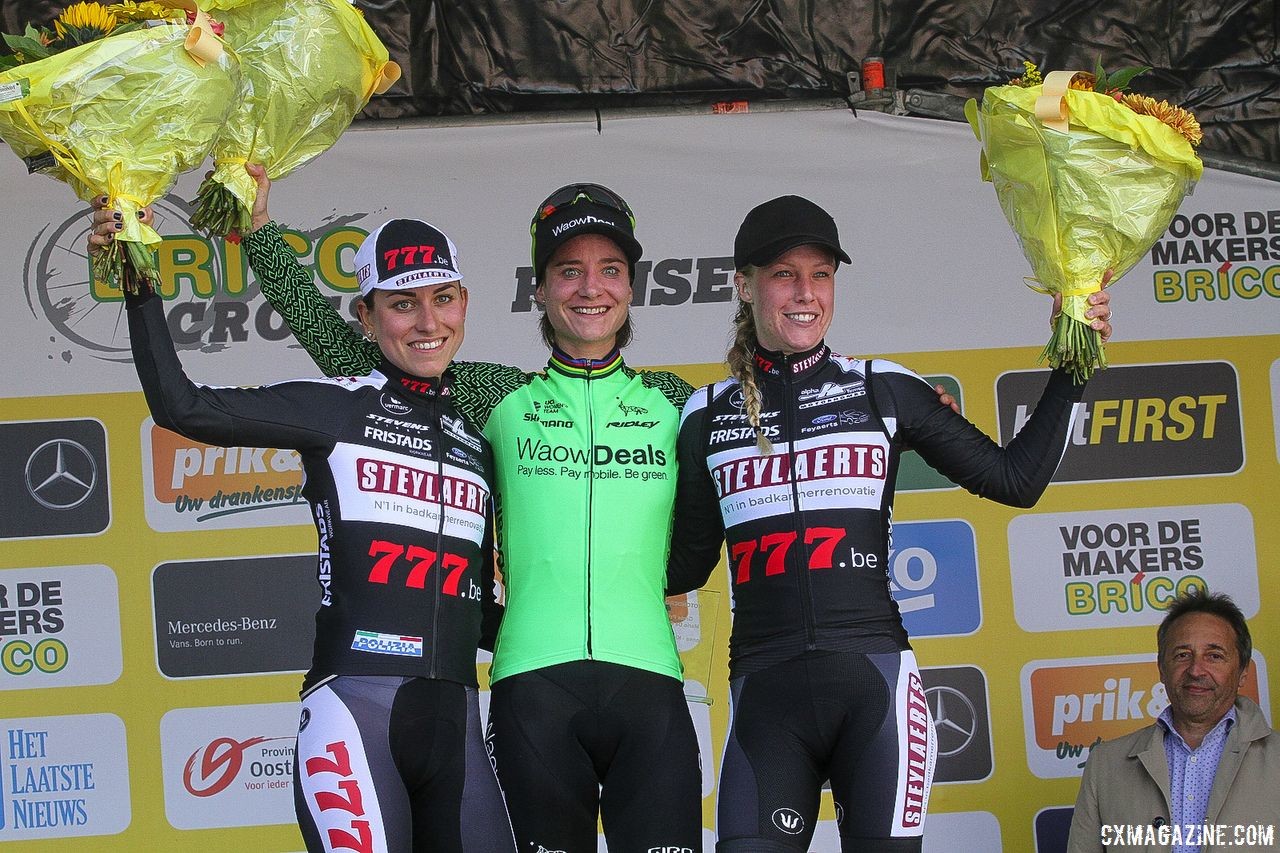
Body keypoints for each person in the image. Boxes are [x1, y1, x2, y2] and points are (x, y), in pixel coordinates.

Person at [231, 173, 717, 851]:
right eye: (568, 271)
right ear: (538, 288)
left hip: (652, 688)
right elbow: (348, 352)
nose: (590, 288)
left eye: (610, 269)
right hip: (532, 692)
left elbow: (731, 505)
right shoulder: (494, 394)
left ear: (632, 286)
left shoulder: (677, 400)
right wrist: (260, 236)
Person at [668, 195, 1114, 852]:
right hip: (766, 699)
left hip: (876, 691)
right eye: (785, 274)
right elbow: (682, 565)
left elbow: (1015, 480)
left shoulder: (884, 388)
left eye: (821, 274)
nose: (806, 292)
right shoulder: (705, 416)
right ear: (744, 284)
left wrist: (1075, 361)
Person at [102, 208, 516, 852]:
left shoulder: (481, 433)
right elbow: (184, 406)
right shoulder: (336, 406)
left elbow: (480, 610)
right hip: (356, 715)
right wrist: (137, 276)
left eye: (442, 299)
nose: (428, 322)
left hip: (459, 720)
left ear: (464, 303)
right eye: (402, 304)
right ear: (366, 316)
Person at [1067, 589, 1278, 853]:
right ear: (1161, 668)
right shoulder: (1106, 764)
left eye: (1214, 656)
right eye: (1182, 655)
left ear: (1243, 671)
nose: (1196, 670)